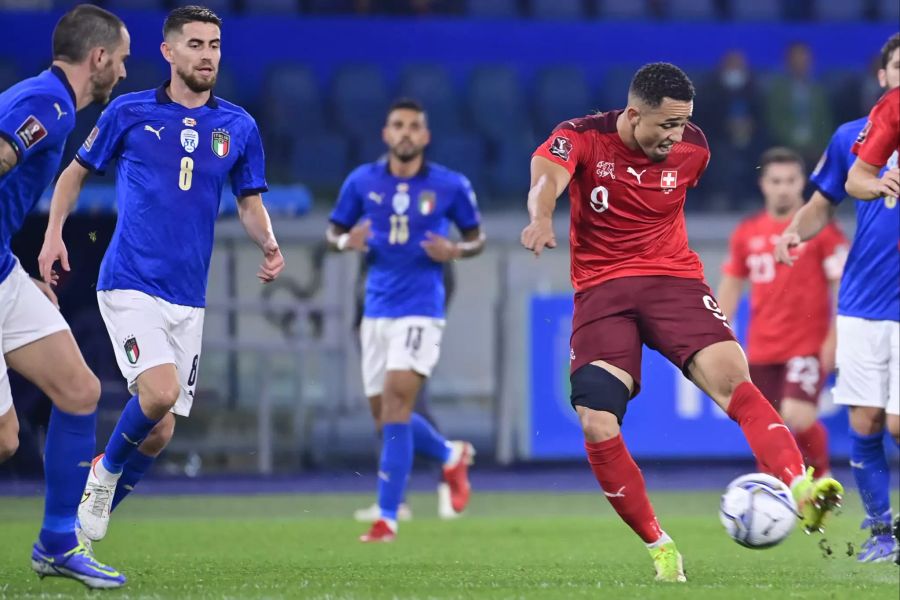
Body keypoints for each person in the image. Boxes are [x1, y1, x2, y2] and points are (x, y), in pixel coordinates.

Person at [520, 62, 843, 583]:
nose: (675, 137)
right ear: (632, 115)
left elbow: (678, 154)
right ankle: (660, 545)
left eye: (682, 124)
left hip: (674, 282)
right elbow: (547, 179)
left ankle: (799, 487)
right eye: (665, 125)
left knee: (736, 383)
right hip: (603, 292)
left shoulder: (695, 149)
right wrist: (540, 216)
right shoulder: (581, 136)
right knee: (597, 419)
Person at [38, 5, 284, 547]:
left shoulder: (237, 125)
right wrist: (54, 232)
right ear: (168, 52)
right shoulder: (129, 112)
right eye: (195, 44)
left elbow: (248, 201)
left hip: (187, 297)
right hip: (129, 281)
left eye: (214, 45)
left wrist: (266, 239)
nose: (207, 55)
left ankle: (77, 532)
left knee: (161, 429)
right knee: (159, 393)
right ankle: (101, 476)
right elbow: (73, 175)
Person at [0, 4, 129, 588]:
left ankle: (56, 544)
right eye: (121, 60)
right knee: (4, 440)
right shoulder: (47, 105)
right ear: (98, 58)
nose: (124, 73)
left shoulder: (43, 99)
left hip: (5, 272)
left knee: (78, 392)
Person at [326, 98, 485, 542]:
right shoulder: (362, 181)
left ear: (426, 136)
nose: (406, 133)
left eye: (415, 126)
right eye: (398, 125)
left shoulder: (450, 185)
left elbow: (478, 239)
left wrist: (455, 250)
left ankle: (388, 517)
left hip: (422, 308)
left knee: (398, 404)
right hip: (375, 309)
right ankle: (451, 454)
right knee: (385, 418)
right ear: (386, 133)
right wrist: (345, 243)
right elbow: (333, 231)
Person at [774, 33, 899, 564]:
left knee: (897, 424)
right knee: (865, 421)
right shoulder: (853, 136)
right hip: (863, 301)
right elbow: (824, 199)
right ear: (882, 77)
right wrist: (794, 231)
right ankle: (880, 532)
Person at [717, 147, 847, 479]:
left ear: (803, 182)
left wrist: (834, 339)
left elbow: (841, 289)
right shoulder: (747, 233)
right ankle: (776, 493)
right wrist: (717, 335)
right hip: (761, 348)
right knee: (767, 428)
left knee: (798, 417)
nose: (784, 188)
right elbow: (731, 286)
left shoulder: (823, 233)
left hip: (806, 345)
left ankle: (821, 478)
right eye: (776, 181)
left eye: (790, 180)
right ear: (764, 184)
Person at [351, 258, 459, 522]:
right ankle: (397, 497)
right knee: (384, 412)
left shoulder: (425, 226)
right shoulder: (375, 223)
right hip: (376, 325)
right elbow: (365, 278)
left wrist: (431, 318)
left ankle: (445, 475)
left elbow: (448, 275)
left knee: (407, 406)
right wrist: (359, 321)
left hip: (414, 325)